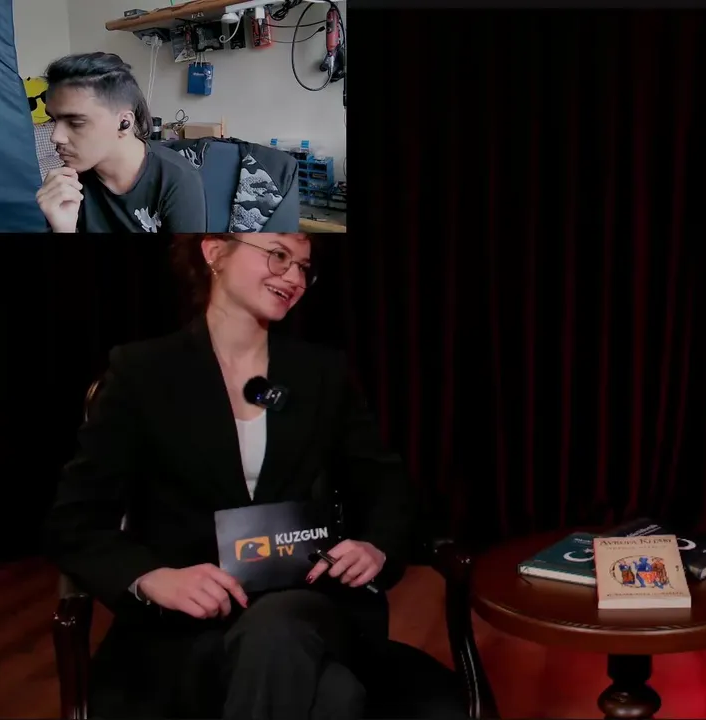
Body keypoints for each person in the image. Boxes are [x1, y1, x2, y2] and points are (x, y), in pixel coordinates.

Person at [44, 235, 457, 719]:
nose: (294, 277)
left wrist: (376, 546)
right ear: (214, 252)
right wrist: (151, 578)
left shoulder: (322, 373)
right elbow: (74, 522)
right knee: (334, 696)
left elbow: (387, 488)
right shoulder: (141, 372)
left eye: (303, 267)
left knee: (280, 627)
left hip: (312, 607)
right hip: (186, 628)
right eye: (279, 256)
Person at [36, 52, 206, 233]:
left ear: (124, 123)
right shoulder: (69, 185)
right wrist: (63, 229)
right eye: (53, 120)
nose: (56, 136)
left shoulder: (177, 181)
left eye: (75, 123)